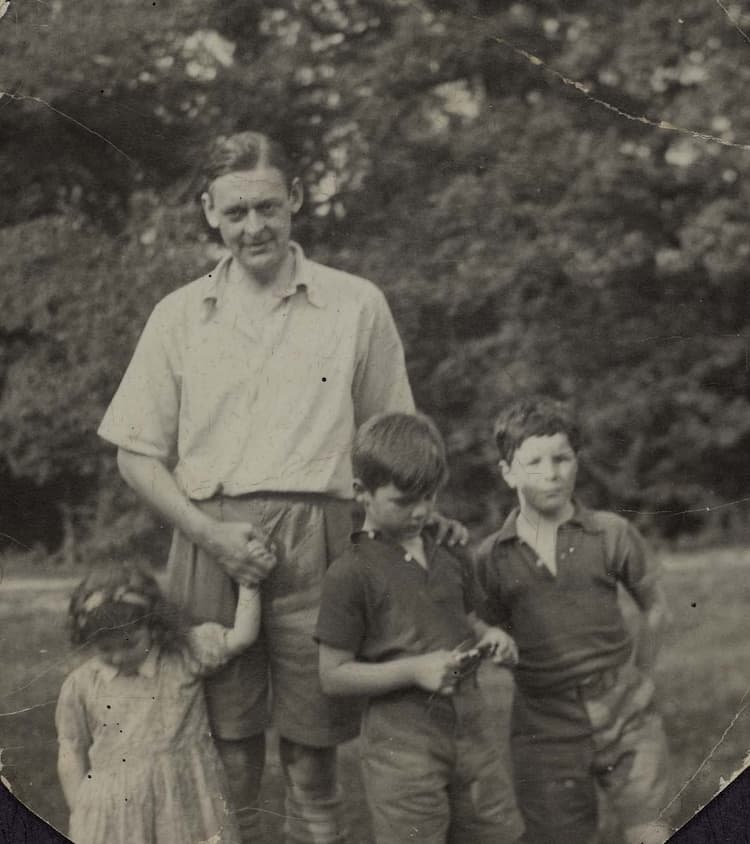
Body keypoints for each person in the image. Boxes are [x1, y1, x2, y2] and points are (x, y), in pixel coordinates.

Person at [98, 131, 463, 842]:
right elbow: (135, 455)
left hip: (321, 540)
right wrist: (210, 535)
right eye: (235, 213)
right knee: (226, 750)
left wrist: (421, 517)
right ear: (209, 212)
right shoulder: (179, 315)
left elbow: (398, 441)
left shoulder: (356, 304)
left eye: (268, 207)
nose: (253, 228)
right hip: (211, 541)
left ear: (295, 199)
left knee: (313, 756)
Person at [315, 412, 524, 844]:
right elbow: (332, 674)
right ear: (362, 494)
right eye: (404, 501)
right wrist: (413, 670)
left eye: (429, 496)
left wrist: (492, 637)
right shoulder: (350, 572)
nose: (422, 511)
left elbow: (467, 617)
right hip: (402, 748)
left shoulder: (448, 549)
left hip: (474, 736)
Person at [475, 396, 673, 844]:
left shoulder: (610, 533)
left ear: (577, 462)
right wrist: (494, 642)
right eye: (534, 462)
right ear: (508, 473)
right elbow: (483, 626)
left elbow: (656, 607)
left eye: (562, 458)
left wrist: (641, 676)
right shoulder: (491, 557)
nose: (551, 473)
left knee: (649, 830)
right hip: (544, 724)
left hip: (626, 710)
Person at [55, 560, 268, 844]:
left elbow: (242, 637)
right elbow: (71, 748)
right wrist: (79, 809)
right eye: (105, 649)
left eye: (130, 644)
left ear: (154, 626)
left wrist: (248, 581)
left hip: (185, 797)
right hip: (116, 810)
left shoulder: (183, 657)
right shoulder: (82, 685)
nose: (119, 657)